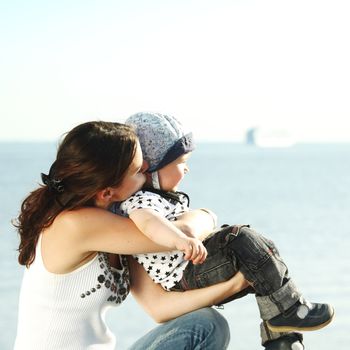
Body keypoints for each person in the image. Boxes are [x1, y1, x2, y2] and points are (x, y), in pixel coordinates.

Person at [13, 121, 250, 350]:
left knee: (207, 324)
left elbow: (159, 307)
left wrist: (237, 283)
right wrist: (207, 214)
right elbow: (182, 235)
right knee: (206, 327)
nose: (148, 169)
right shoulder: (76, 224)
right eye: (138, 170)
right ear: (107, 192)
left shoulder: (118, 229)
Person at [119, 112, 335, 350]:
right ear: (150, 166)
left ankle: (282, 340)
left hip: (190, 268)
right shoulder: (138, 202)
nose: (187, 170)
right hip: (184, 274)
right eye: (182, 163)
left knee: (262, 260)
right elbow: (149, 223)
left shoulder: (158, 196)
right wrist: (180, 239)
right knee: (241, 239)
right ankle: (289, 310)